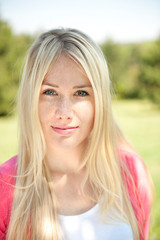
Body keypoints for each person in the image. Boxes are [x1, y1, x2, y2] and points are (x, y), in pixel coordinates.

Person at [0, 28, 152, 240]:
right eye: (50, 92)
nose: (64, 112)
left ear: (99, 100)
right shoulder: (5, 185)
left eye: (81, 93)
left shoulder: (131, 172)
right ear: (30, 98)